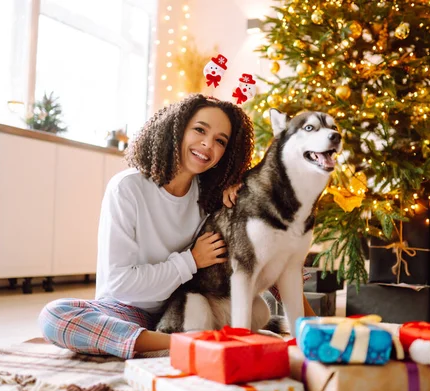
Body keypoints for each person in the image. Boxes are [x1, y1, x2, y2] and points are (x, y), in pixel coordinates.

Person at [38, 94, 315, 359]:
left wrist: (313, 327)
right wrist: (191, 261)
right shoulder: (128, 188)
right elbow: (119, 283)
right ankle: (184, 344)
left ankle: (190, 340)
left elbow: (267, 258)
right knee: (55, 317)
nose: (208, 144)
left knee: (257, 307)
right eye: (199, 130)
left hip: (196, 305)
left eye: (220, 140)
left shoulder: (214, 196)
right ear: (176, 129)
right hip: (128, 310)